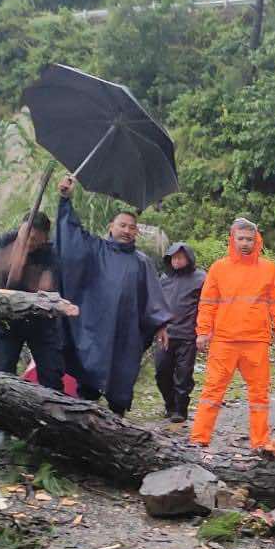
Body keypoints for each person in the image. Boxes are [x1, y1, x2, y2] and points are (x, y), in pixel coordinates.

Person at [53, 174, 171, 416]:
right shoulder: (95, 249)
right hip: (94, 328)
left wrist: (161, 325)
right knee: (88, 382)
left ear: (137, 232)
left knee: (121, 379)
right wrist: (65, 199)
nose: (127, 230)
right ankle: (84, 420)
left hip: (125, 332)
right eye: (122, 225)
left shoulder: (142, 262)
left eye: (132, 227)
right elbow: (72, 237)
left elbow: (152, 296)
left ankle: (116, 424)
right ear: (111, 226)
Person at [190, 217, 275, 452]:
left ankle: (260, 442)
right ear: (232, 240)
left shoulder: (269, 269)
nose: (245, 243)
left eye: (249, 239)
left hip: (256, 341)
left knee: (259, 395)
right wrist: (203, 332)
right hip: (224, 340)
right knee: (212, 391)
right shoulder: (219, 268)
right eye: (241, 238)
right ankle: (199, 438)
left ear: (257, 241)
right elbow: (207, 303)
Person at [0, 213, 65, 391]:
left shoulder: (51, 252)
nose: (29, 241)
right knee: (1, 370)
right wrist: (12, 258)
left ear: (44, 238)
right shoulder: (5, 240)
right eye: (26, 235)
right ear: (20, 227)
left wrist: (24, 269)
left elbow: (46, 286)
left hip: (41, 320)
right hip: (7, 315)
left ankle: (53, 405)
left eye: (35, 239)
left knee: (51, 375)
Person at [156, 242, 205, 424]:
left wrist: (203, 331)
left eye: (180, 257)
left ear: (188, 258)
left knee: (183, 375)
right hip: (165, 334)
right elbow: (157, 303)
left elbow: (208, 306)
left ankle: (180, 409)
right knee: (161, 372)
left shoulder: (201, 278)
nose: (176, 261)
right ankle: (169, 405)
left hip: (188, 335)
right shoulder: (164, 278)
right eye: (173, 257)